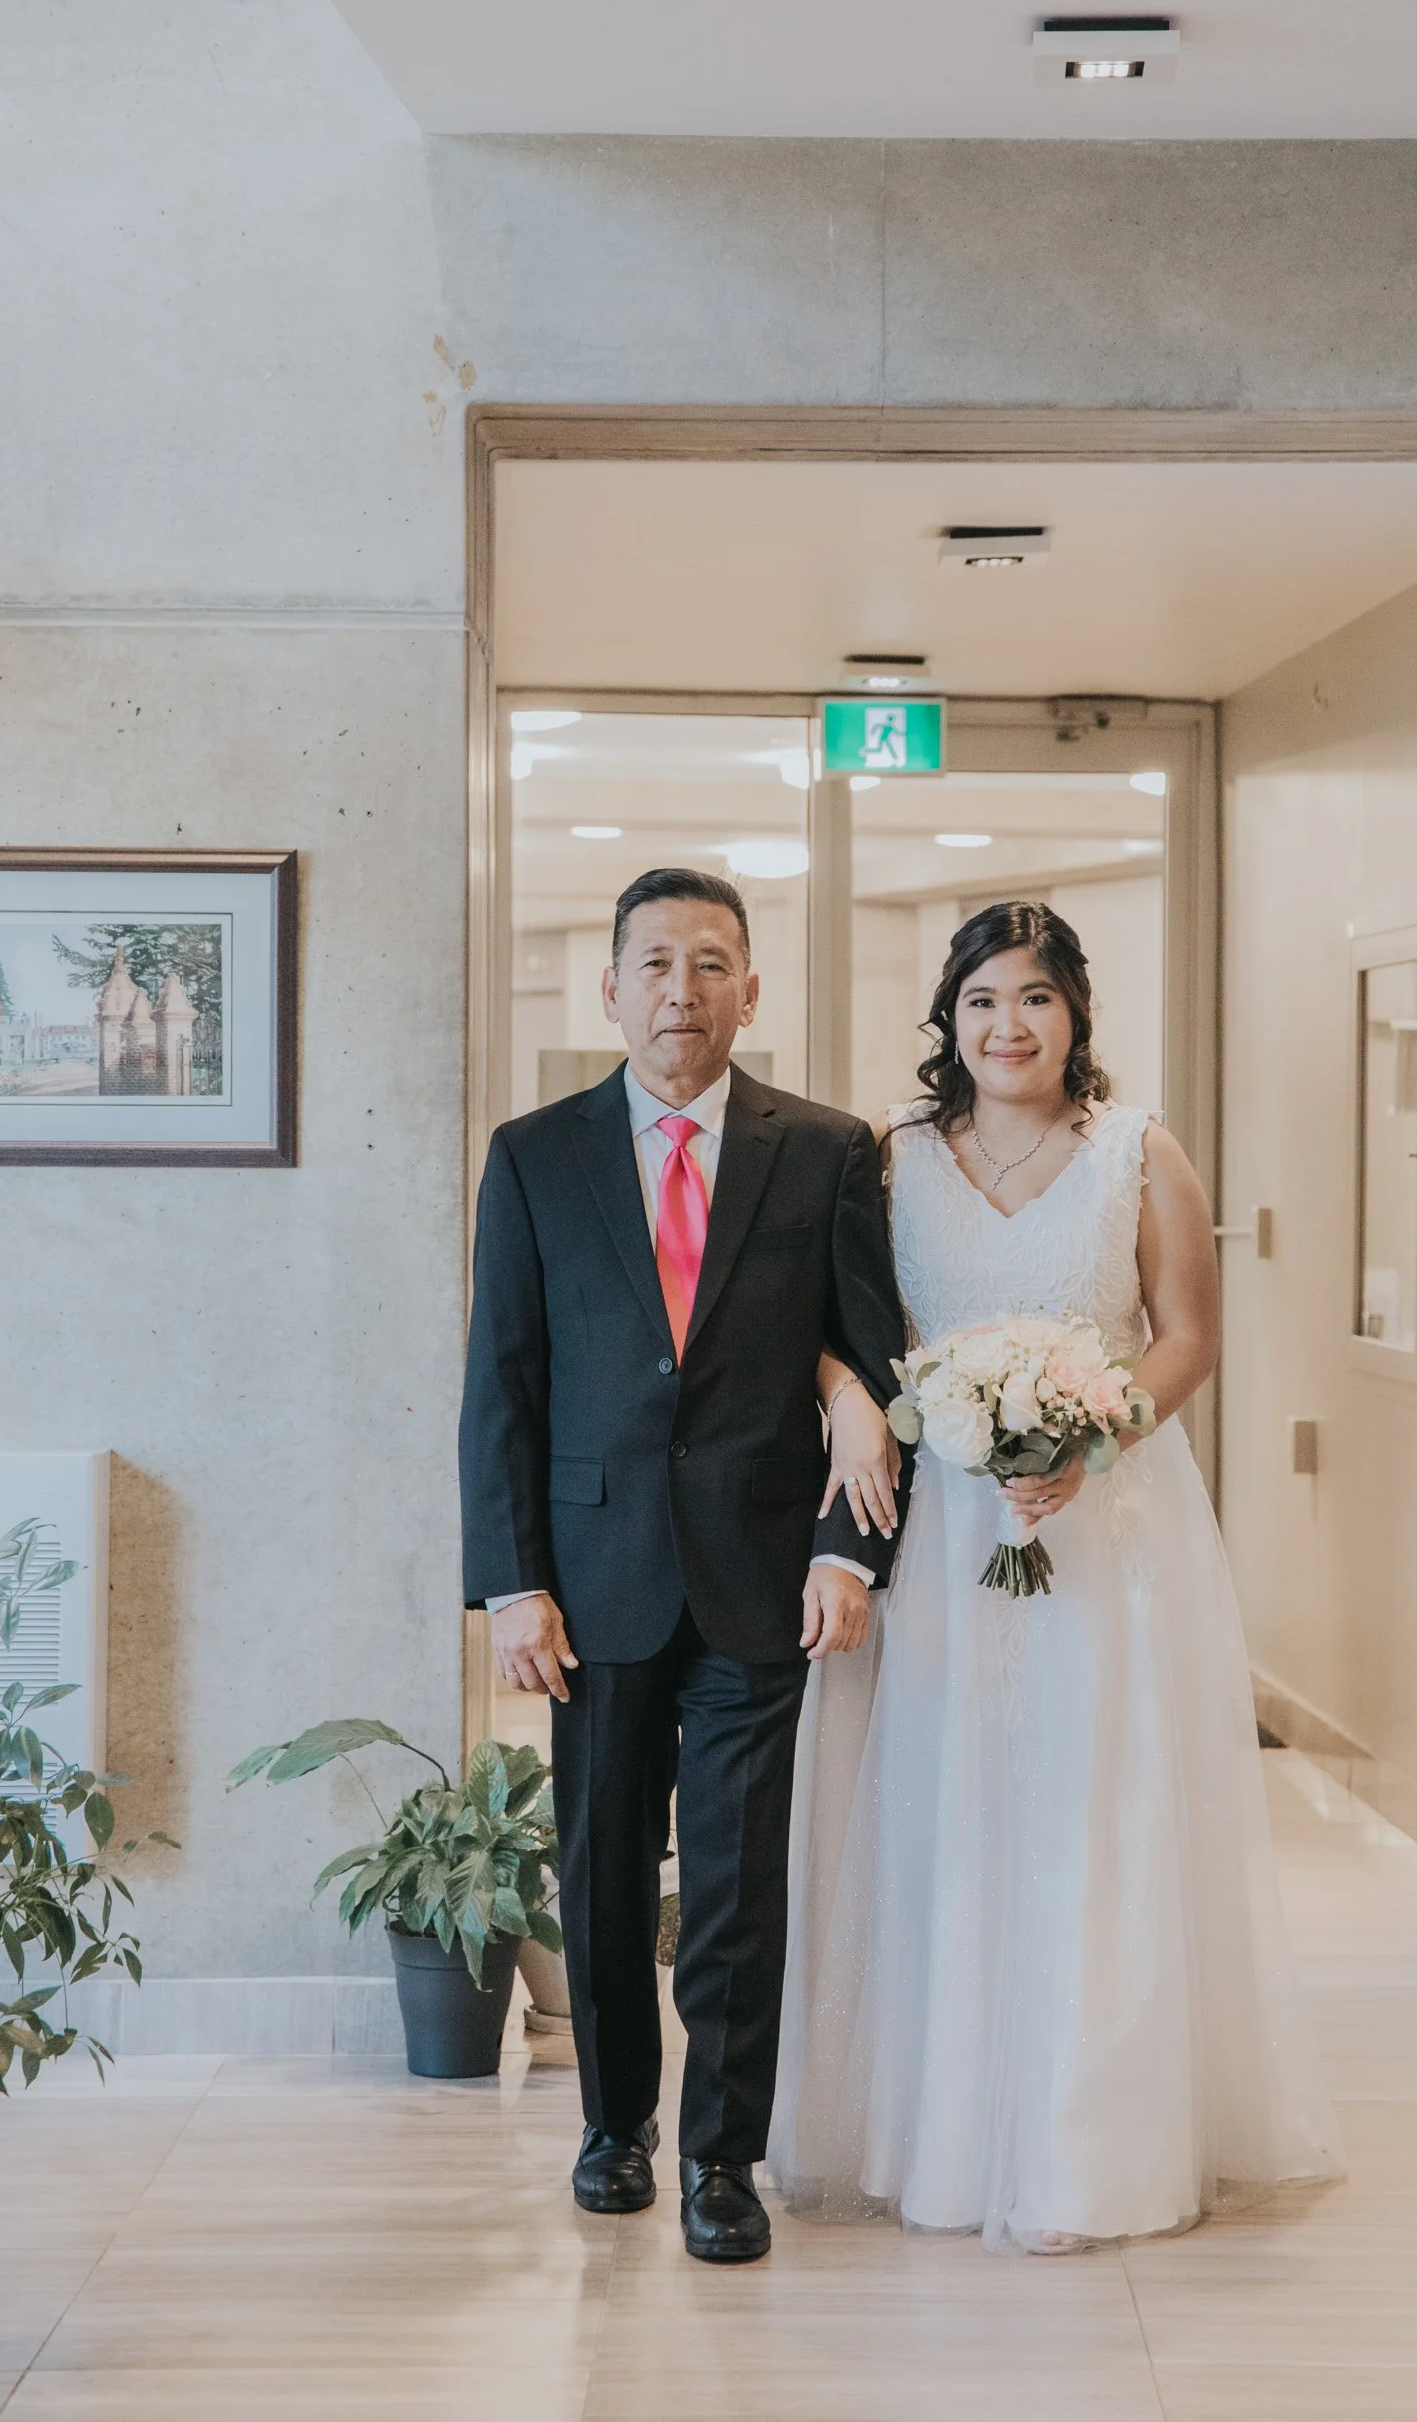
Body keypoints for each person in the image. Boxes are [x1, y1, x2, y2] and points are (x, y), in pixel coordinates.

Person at [770, 900, 1342, 2253]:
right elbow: (832, 1323)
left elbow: (1187, 1335)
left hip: (1105, 1529)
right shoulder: (890, 1157)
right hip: (940, 1530)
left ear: (1075, 1013)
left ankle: (1091, 2147)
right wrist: (857, 1405)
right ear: (949, 1018)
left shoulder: (1139, 1152)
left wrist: (1093, 1438)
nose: (1007, 1025)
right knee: (948, 1806)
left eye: (1033, 997)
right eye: (981, 1000)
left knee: (1096, 1810)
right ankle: (942, 2135)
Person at [460, 867, 907, 2264]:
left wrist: (848, 1553)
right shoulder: (533, 1156)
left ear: (750, 992)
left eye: (711, 964)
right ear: (611, 989)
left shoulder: (824, 1151)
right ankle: (615, 2129)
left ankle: (723, 2155)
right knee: (602, 1875)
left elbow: (873, 1365)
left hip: (761, 1576)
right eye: (654, 964)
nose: (681, 991)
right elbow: (502, 1385)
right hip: (591, 1584)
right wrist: (511, 1583)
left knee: (733, 1884)